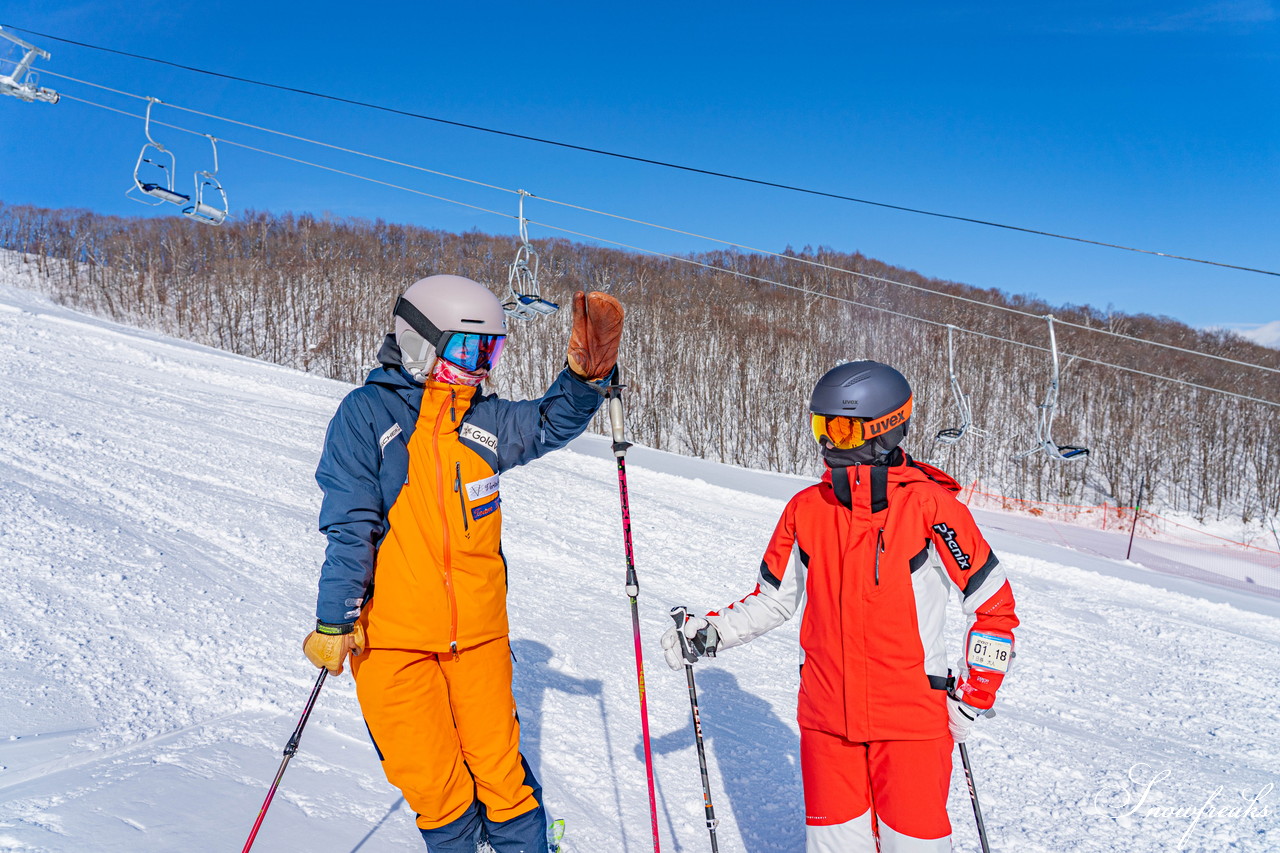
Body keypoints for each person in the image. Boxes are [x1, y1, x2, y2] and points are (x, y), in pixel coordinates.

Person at [302, 275, 623, 853]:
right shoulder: (368, 417)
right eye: (470, 350)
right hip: (393, 646)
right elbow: (351, 525)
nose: (482, 367)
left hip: (478, 640)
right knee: (436, 786)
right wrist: (334, 619)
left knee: (504, 781)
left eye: (491, 352)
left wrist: (584, 380)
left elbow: (548, 423)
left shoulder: (483, 422)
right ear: (422, 343)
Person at [662, 360, 1019, 853]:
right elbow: (773, 599)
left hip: (912, 724)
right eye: (820, 426)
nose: (827, 441)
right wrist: (712, 632)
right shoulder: (807, 510)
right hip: (827, 722)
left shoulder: (931, 509)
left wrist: (975, 694)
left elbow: (994, 608)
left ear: (883, 429)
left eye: (841, 427)